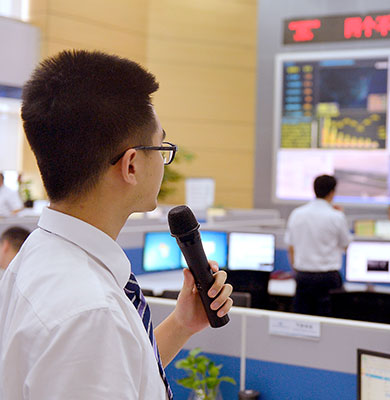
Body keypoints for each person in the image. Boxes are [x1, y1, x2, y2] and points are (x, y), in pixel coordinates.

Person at [0, 50, 233, 399]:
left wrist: (181, 325)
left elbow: (120, 372)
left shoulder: (39, 255)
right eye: (160, 147)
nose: (163, 161)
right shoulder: (90, 313)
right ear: (131, 165)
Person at [285, 174, 352, 316]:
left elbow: (291, 247)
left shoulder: (297, 214)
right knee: (329, 322)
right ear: (332, 192)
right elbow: (346, 245)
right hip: (328, 279)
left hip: (303, 277)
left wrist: (297, 272)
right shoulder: (336, 216)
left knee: (302, 322)